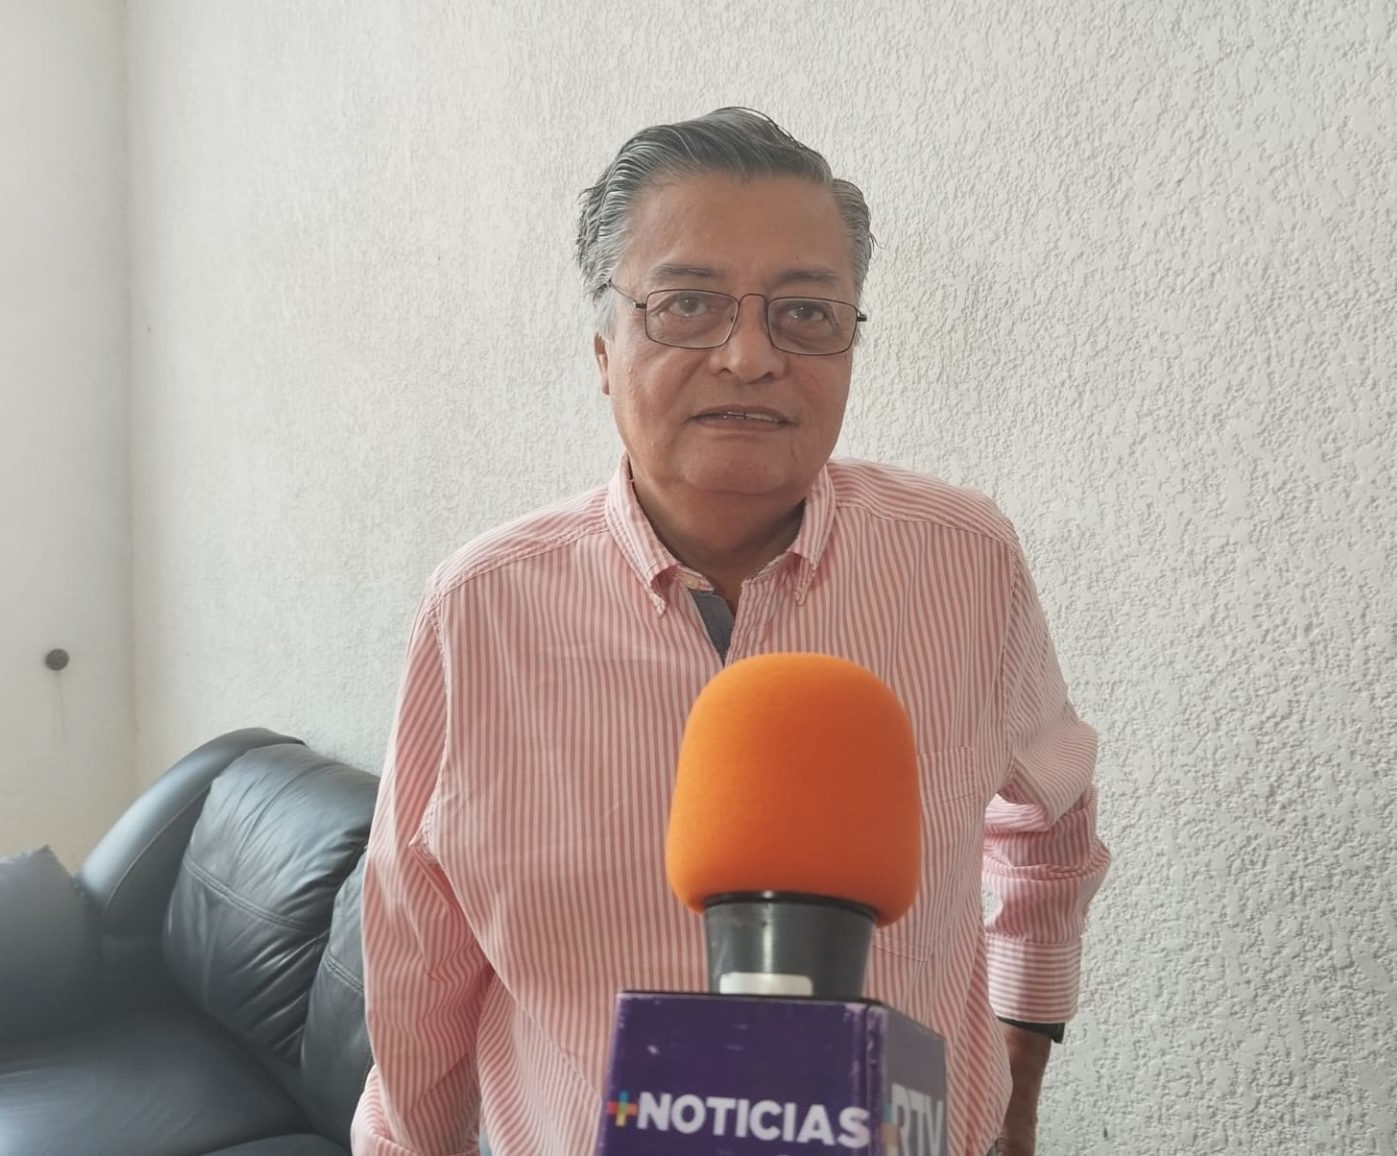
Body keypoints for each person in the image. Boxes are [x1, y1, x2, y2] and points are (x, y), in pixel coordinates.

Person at [354, 108, 1109, 1156]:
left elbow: (1052, 822)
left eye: (806, 313)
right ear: (604, 350)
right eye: (688, 304)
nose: (750, 356)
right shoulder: (481, 609)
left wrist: (1021, 1068)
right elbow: (418, 967)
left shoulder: (963, 562)